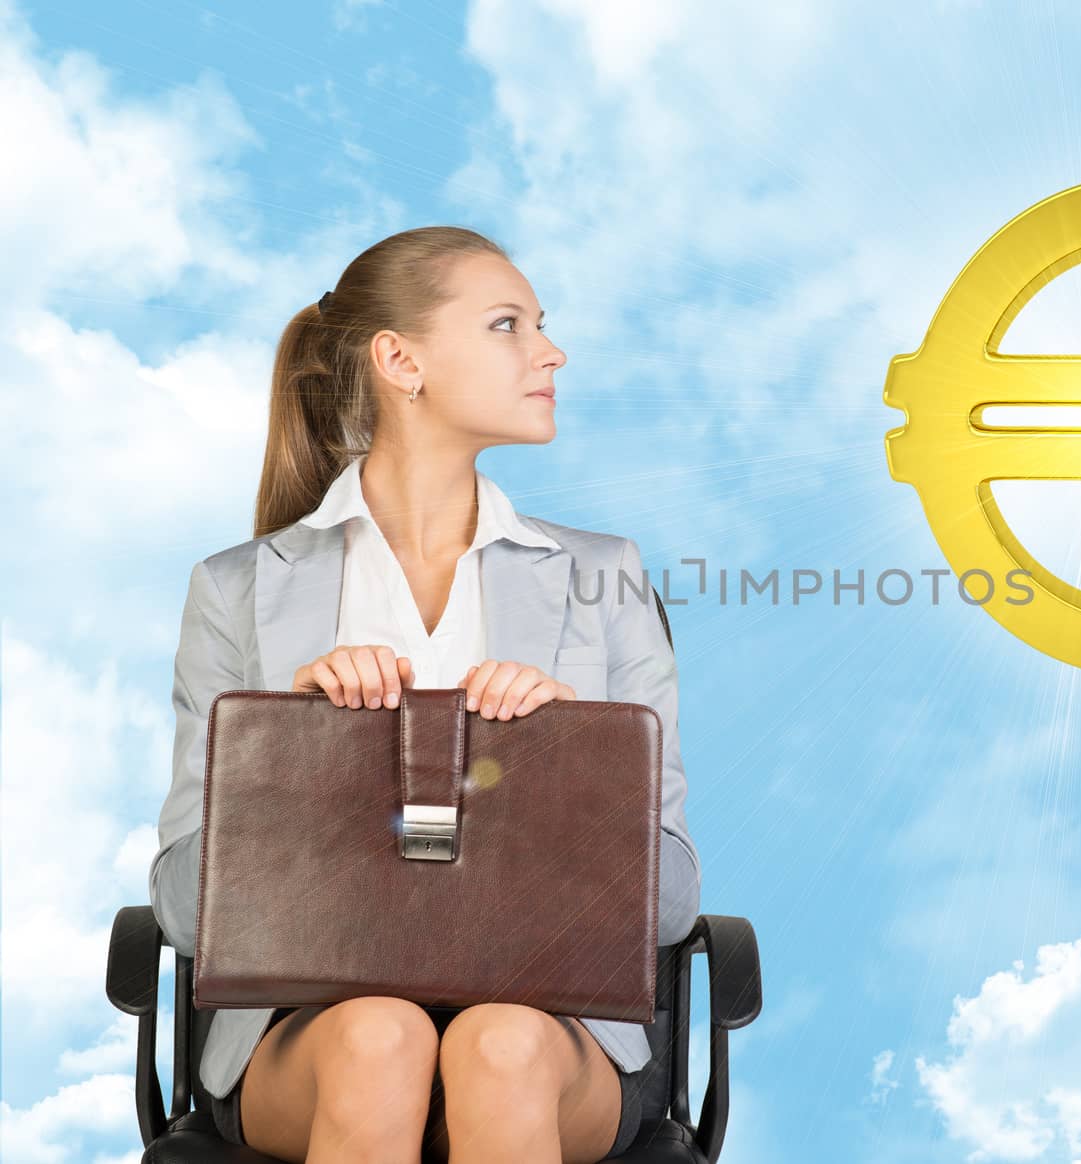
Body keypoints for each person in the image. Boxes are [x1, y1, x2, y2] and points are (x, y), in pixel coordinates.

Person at [146, 225, 701, 1162]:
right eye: (506, 325)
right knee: (381, 1035)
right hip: (309, 1035)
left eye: (539, 325)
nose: (549, 351)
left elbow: (675, 900)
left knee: (498, 1043)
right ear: (401, 360)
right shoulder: (238, 587)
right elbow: (180, 907)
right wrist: (288, 748)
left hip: (554, 1031)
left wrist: (568, 757)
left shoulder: (604, 577)